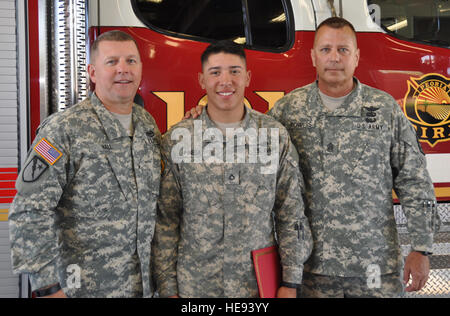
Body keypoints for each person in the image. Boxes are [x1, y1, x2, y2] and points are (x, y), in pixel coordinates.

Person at [186, 18, 440, 297]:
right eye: (326, 49)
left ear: (356, 57)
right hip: (309, 272)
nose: (334, 58)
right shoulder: (288, 111)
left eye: (343, 50)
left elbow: (414, 179)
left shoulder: (384, 110)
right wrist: (203, 118)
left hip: (374, 266)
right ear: (313, 56)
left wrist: (422, 247)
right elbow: (246, 146)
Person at [151, 40, 312, 298]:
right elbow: (166, 222)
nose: (226, 81)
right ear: (202, 80)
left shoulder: (273, 136)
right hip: (195, 289)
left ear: (247, 77)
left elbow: (291, 213)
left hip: (256, 289)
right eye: (215, 72)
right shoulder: (179, 140)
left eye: (235, 71)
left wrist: (291, 282)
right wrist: (168, 288)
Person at [9, 30, 161, 298]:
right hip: (83, 289)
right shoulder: (62, 130)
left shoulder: (147, 125)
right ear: (92, 72)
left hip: (142, 288)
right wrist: (49, 288)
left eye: (131, 61)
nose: (123, 70)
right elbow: (29, 211)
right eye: (112, 62)